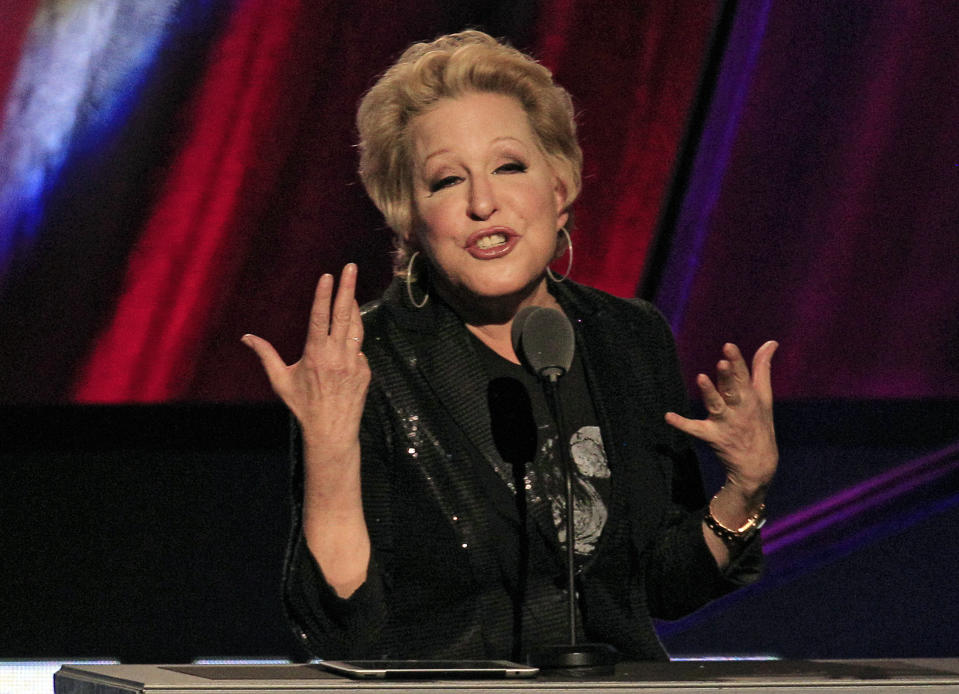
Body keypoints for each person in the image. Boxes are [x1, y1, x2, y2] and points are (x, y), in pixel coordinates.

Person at [242, 30, 778, 662]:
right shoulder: (366, 362)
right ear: (408, 218)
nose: (482, 202)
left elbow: (661, 586)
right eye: (445, 181)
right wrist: (330, 449)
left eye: (509, 166)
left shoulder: (628, 337)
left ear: (559, 189)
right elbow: (342, 630)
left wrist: (745, 488)